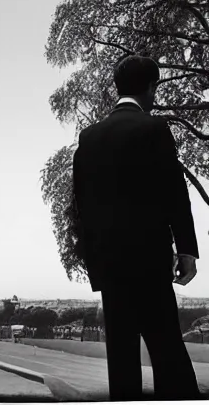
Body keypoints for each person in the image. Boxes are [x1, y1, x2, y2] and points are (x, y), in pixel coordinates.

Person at [72, 54, 200, 401]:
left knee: (122, 362)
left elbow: (80, 208)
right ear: (151, 87)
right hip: (150, 261)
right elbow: (176, 194)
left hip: (110, 267)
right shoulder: (154, 128)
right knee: (168, 353)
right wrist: (186, 250)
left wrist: (95, 264)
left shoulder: (89, 137)